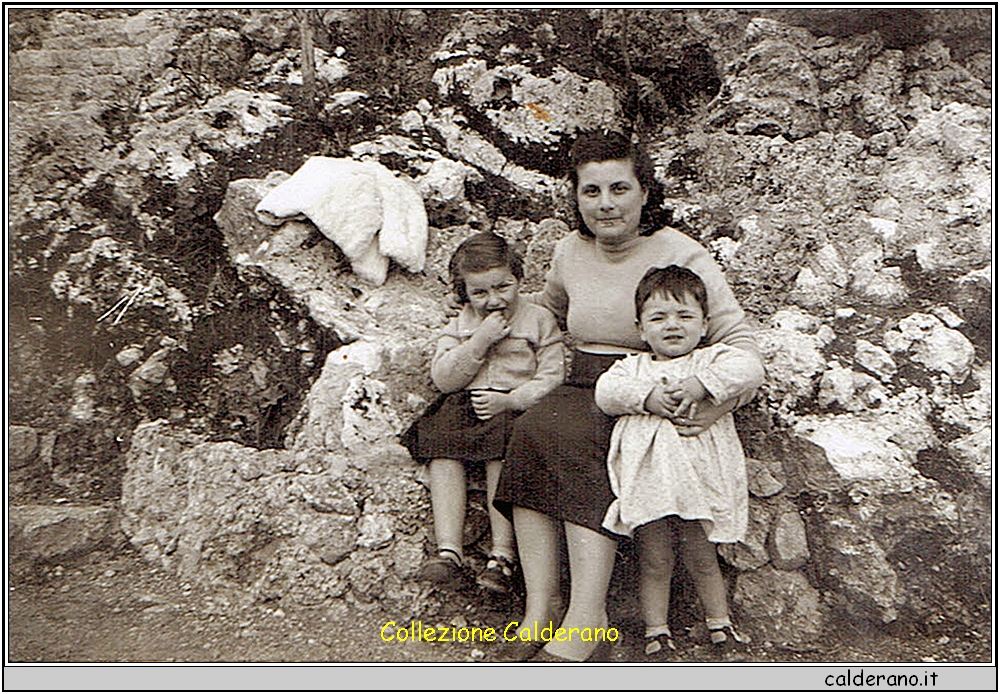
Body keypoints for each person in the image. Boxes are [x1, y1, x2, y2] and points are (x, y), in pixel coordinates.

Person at [492, 130, 762, 662]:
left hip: (649, 387)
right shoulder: (570, 250)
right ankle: (541, 604)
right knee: (525, 429)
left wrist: (718, 398)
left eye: (619, 188)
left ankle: (587, 618)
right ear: (576, 197)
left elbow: (739, 339)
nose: (606, 204)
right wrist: (481, 333)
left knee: (572, 437)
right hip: (581, 380)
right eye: (591, 191)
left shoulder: (681, 253)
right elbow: (547, 308)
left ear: (644, 192)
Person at [594, 265, 765, 661]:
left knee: (701, 556)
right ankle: (657, 632)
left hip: (697, 483)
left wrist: (703, 386)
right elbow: (607, 392)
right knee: (655, 559)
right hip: (652, 484)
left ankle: (720, 624)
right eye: (658, 317)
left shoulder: (711, 361)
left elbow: (750, 368)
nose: (672, 325)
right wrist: (648, 398)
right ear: (640, 328)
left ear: (704, 324)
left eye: (685, 316)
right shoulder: (633, 368)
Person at [401, 232, 564, 595]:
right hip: (466, 403)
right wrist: (478, 341)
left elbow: (553, 374)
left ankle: (502, 555)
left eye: (503, 286)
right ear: (464, 293)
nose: (494, 300)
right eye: (479, 293)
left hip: (513, 408)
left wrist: (514, 400)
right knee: (440, 449)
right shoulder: (461, 323)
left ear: (519, 279)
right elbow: (443, 377)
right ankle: (449, 550)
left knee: (501, 455)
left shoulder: (538, 318)